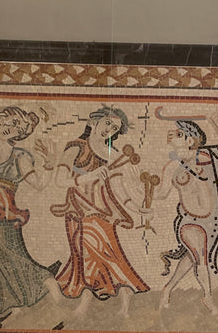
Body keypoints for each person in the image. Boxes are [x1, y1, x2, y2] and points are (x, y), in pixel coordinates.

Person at [0, 106, 60, 326]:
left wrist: (49, 163)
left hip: (3, 214)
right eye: (9, 121)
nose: (11, 127)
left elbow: (39, 184)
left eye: (18, 127)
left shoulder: (19, 156)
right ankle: (11, 305)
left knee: (13, 257)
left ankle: (48, 283)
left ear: (20, 135)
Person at [51, 105, 149, 314]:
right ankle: (116, 296)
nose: (109, 130)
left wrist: (136, 208)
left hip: (102, 210)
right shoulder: (75, 147)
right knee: (82, 252)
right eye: (108, 123)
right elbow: (59, 180)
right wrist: (88, 177)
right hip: (77, 208)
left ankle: (96, 300)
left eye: (114, 129)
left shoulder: (112, 154)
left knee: (105, 252)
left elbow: (119, 187)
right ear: (94, 122)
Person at [156, 116, 218, 313]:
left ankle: (167, 290)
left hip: (211, 222)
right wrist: (142, 191)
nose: (171, 135)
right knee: (201, 260)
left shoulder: (207, 157)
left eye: (179, 134)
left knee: (192, 259)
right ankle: (208, 298)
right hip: (189, 223)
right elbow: (161, 194)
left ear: (190, 140)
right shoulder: (173, 167)